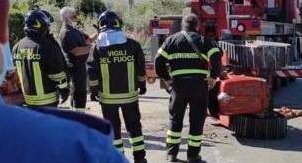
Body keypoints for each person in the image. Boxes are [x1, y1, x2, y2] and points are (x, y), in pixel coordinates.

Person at [0, 0, 127, 163]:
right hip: (48, 96)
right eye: (74, 15)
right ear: (1, 20)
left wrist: (94, 38)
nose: (76, 18)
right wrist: (63, 87)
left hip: (31, 97)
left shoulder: (21, 45)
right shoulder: (80, 149)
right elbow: (58, 68)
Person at [154, 13, 222, 163]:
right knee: (197, 120)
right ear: (197, 26)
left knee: (175, 120)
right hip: (199, 85)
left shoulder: (171, 40)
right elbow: (217, 58)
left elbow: (158, 60)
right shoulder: (205, 40)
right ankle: (193, 156)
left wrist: (166, 78)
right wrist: (213, 77)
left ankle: (172, 154)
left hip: (178, 86)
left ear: (182, 25)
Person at [88, 10, 148, 163]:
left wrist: (94, 91)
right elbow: (141, 68)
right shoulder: (133, 45)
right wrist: (142, 84)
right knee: (134, 128)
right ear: (119, 24)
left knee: (113, 130)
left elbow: (92, 72)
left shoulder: (97, 48)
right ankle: (140, 159)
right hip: (130, 97)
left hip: (107, 99)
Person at [12, 9, 70, 108]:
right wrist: (64, 89)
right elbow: (57, 74)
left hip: (27, 100)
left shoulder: (16, 47)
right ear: (42, 26)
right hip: (48, 101)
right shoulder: (47, 46)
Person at [59, 6, 97, 112]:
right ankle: (78, 116)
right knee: (78, 91)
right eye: (74, 16)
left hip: (80, 64)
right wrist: (93, 48)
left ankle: (78, 114)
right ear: (67, 18)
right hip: (74, 65)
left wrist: (99, 32)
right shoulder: (66, 32)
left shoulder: (74, 30)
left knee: (81, 91)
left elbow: (88, 40)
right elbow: (76, 51)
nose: (76, 18)